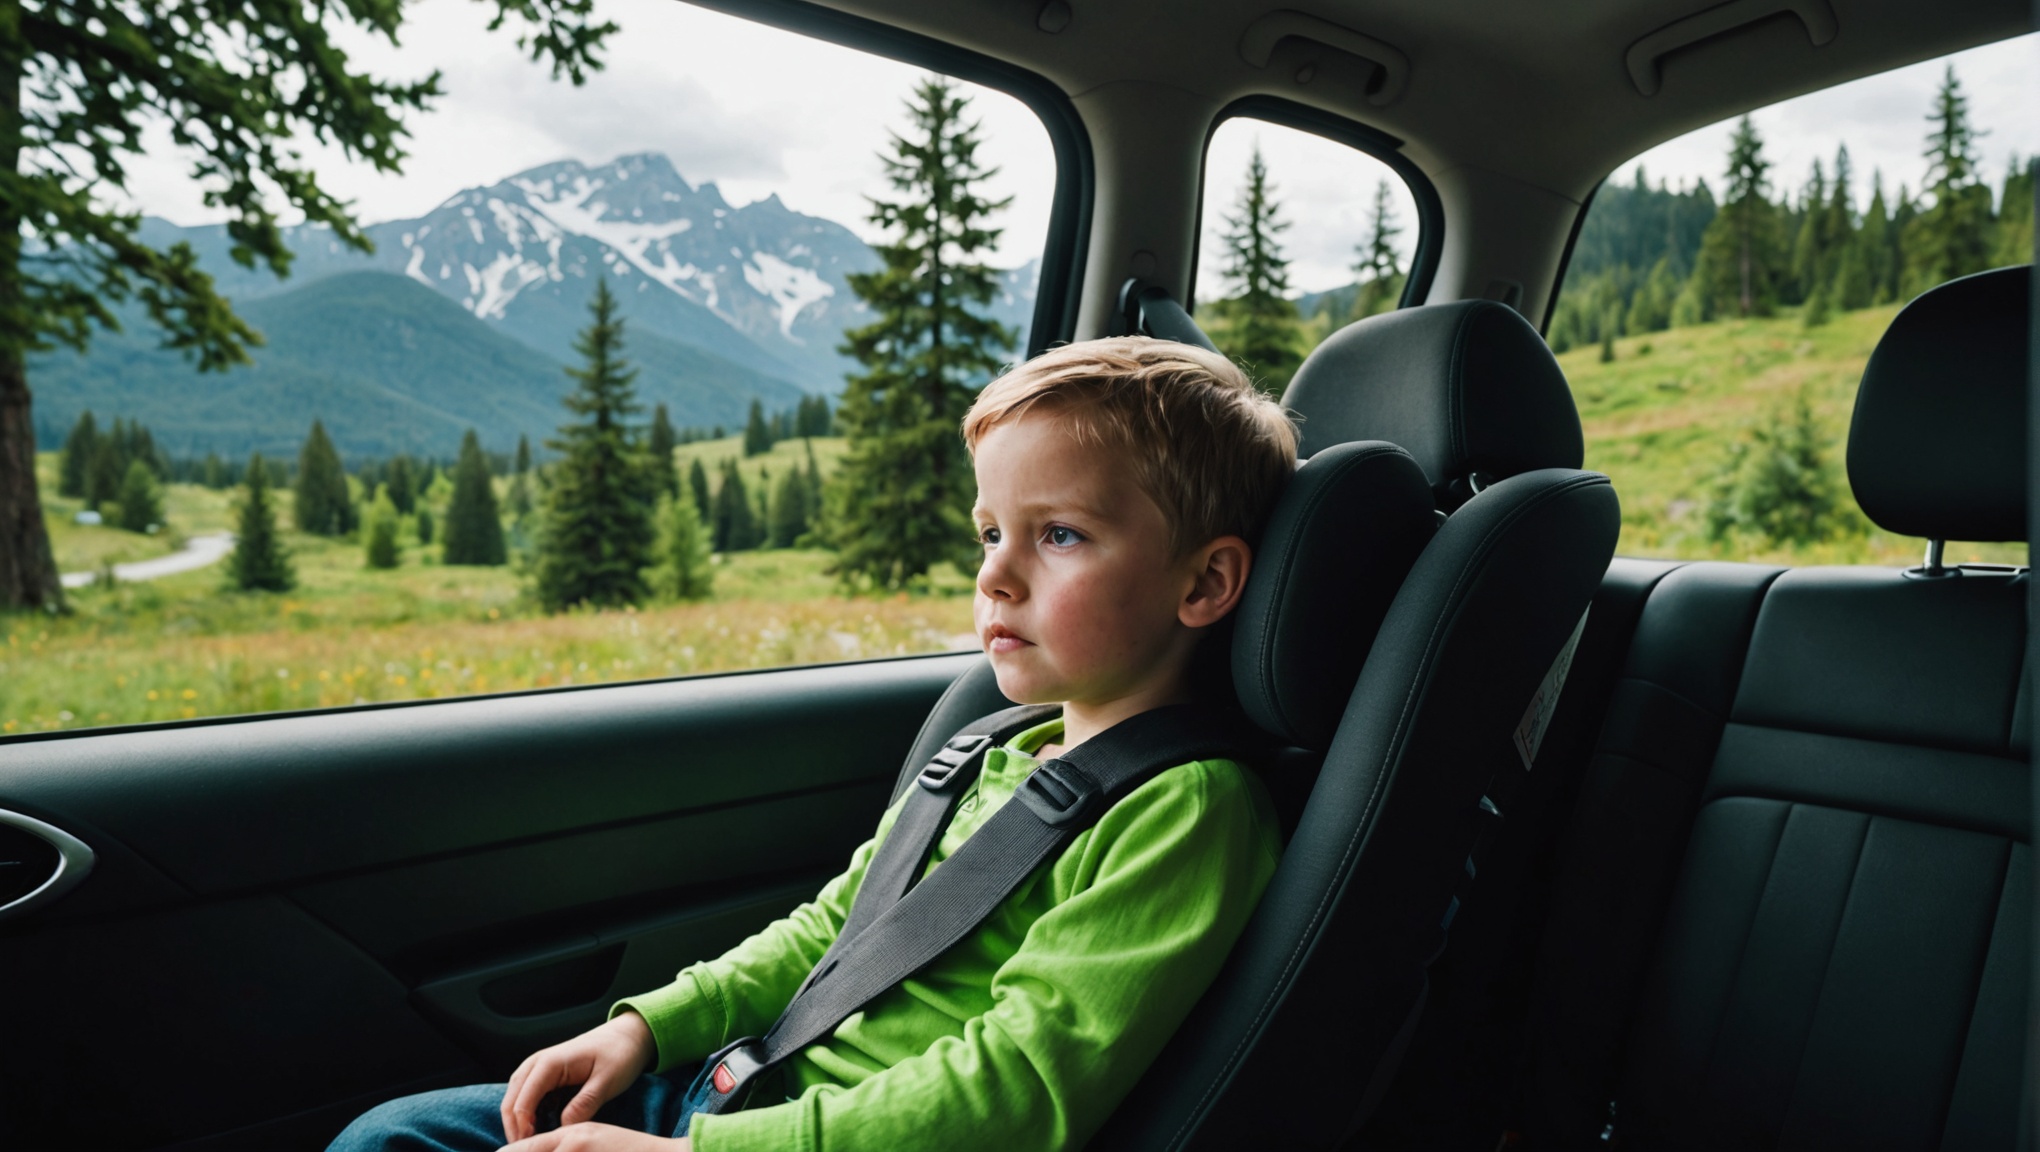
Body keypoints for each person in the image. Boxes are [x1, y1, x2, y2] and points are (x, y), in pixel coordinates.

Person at [330, 337, 1297, 1152]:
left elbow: (1013, 1090)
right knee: (391, 1138)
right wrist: (647, 1031)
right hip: (747, 1100)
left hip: (815, 1139)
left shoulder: (1188, 809)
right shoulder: (991, 751)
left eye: (1061, 536)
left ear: (1205, 584)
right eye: (989, 531)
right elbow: (834, 932)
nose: (996, 575)